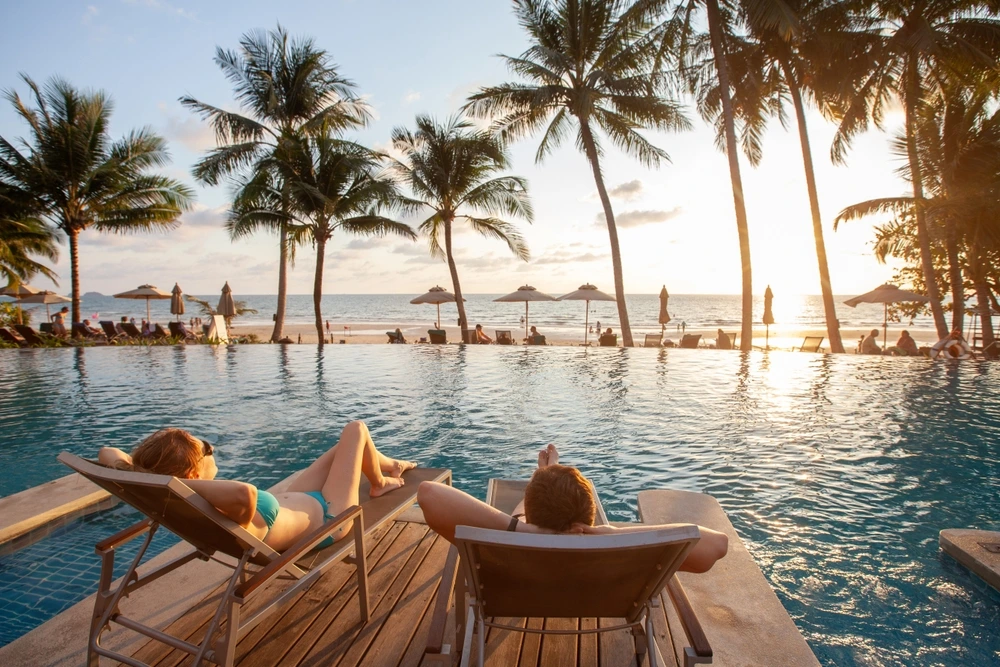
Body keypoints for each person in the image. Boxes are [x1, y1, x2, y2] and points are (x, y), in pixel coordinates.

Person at [97, 421, 414, 552]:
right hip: (329, 520)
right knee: (356, 429)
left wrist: (147, 475)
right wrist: (174, 482)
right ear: (191, 474)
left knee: (342, 449)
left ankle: (390, 467)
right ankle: (380, 482)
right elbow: (246, 494)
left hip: (294, 504)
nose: (212, 449)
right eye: (206, 447)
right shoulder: (223, 498)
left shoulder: (189, 495)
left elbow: (107, 453)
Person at [418, 444, 729, 574]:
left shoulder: (517, 536)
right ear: (588, 513)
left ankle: (541, 477)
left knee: (518, 516)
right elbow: (717, 543)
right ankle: (545, 475)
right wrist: (610, 533)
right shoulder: (612, 547)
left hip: (522, 580)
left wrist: (524, 528)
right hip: (598, 596)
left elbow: (429, 493)